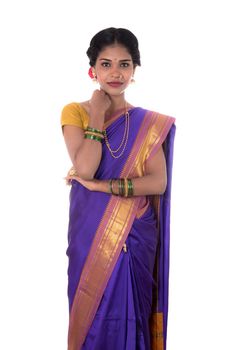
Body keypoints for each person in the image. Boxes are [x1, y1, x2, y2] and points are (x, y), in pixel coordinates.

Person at [61, 27, 176, 350]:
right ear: (92, 69)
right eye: (106, 64)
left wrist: (102, 186)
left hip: (135, 232)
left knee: (131, 313)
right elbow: (84, 167)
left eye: (124, 64)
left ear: (134, 70)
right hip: (88, 230)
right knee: (90, 311)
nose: (115, 73)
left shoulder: (147, 123)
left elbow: (157, 181)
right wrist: (97, 113)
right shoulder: (76, 112)